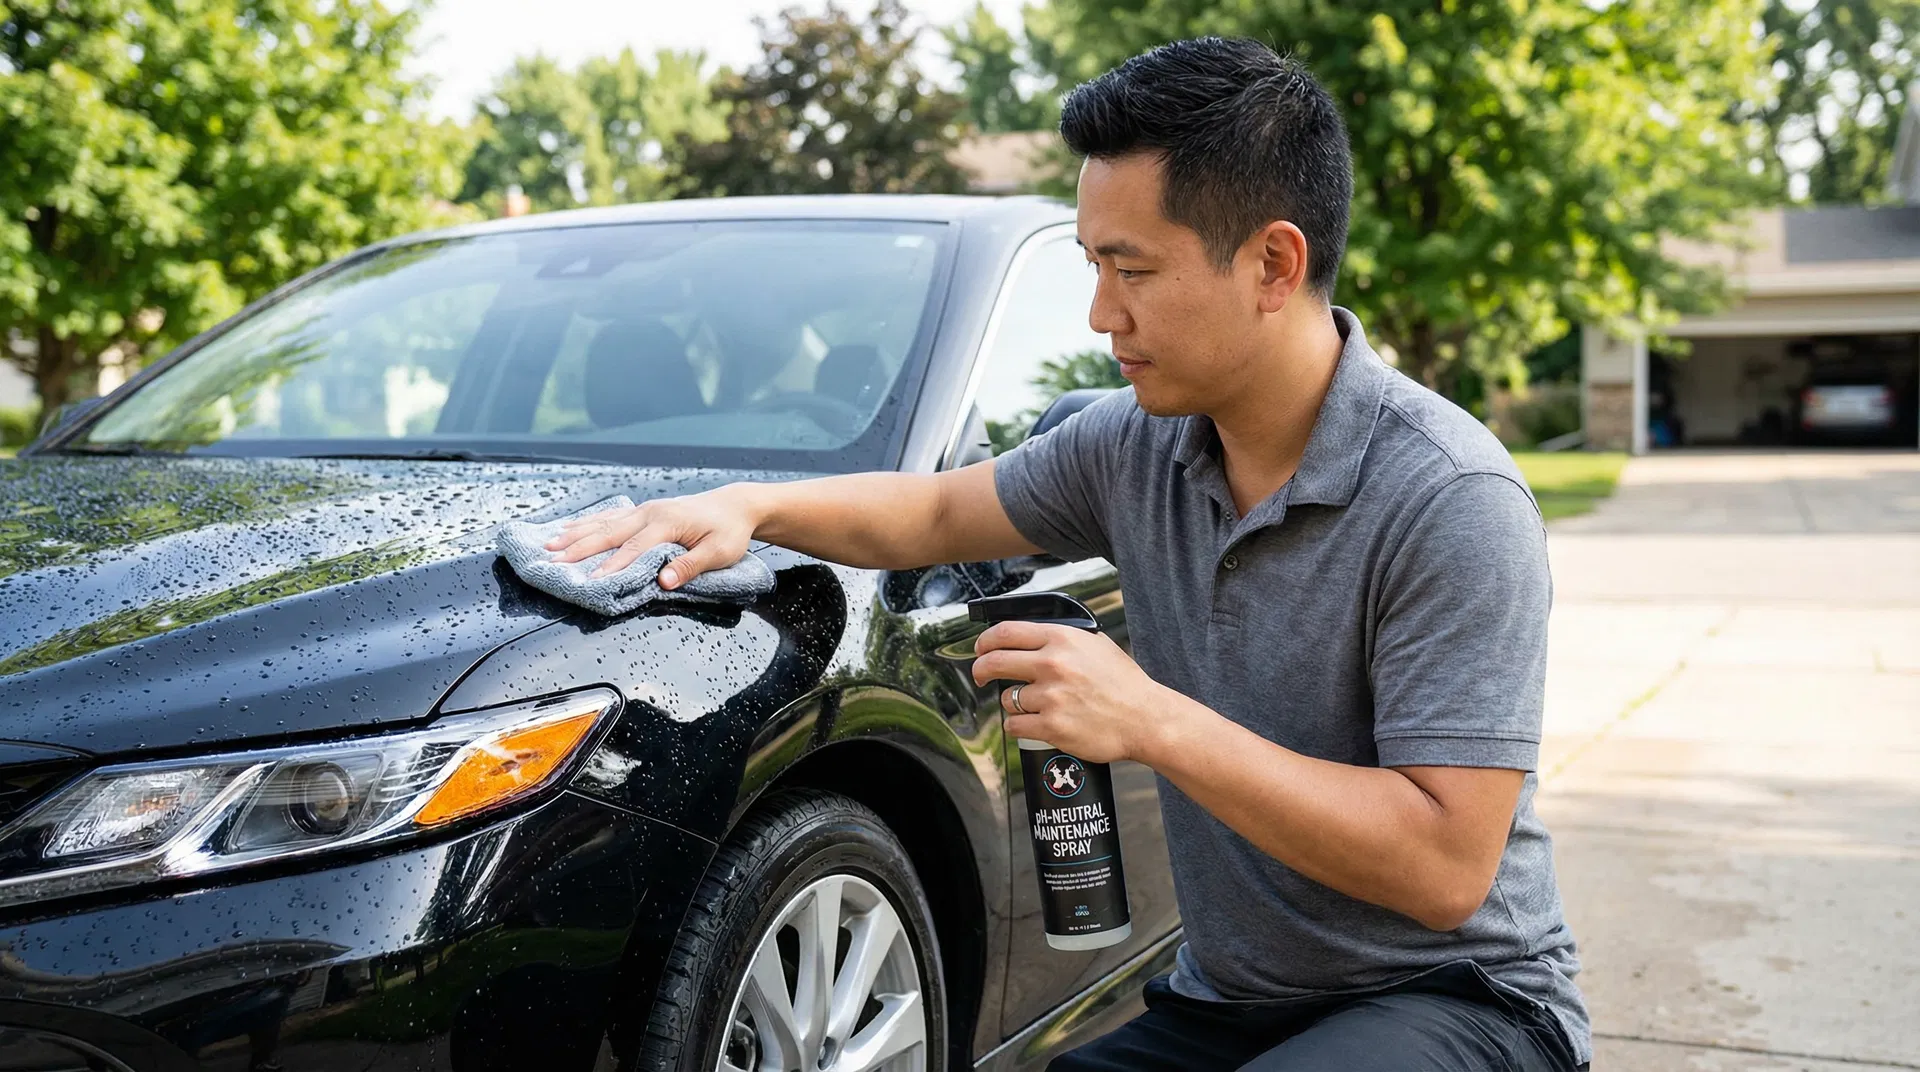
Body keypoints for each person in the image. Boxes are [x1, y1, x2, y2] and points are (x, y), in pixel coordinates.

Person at [546, 36, 1589, 1072]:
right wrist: (748, 506)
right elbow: (939, 514)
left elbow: (1447, 864)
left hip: (1462, 1002)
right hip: (1234, 1004)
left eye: (1132, 269)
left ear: (1275, 263)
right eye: (1095, 264)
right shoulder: (1139, 444)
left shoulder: (1452, 499)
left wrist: (1150, 719)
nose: (1101, 315)